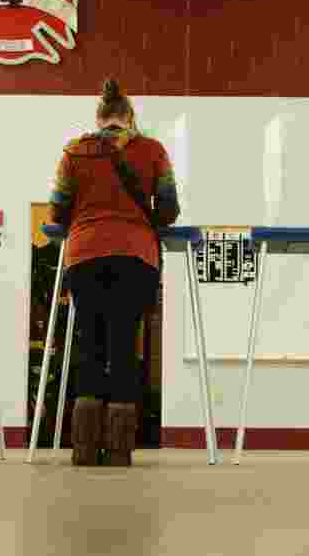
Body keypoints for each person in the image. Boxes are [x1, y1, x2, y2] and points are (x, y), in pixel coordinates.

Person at [49, 79, 180, 466]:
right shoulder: (153, 151)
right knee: (124, 346)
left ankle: (85, 450)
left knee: (89, 343)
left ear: (99, 117)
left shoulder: (74, 151)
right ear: (129, 117)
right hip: (135, 257)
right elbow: (170, 208)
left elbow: (58, 209)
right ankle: (120, 451)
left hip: (85, 254)